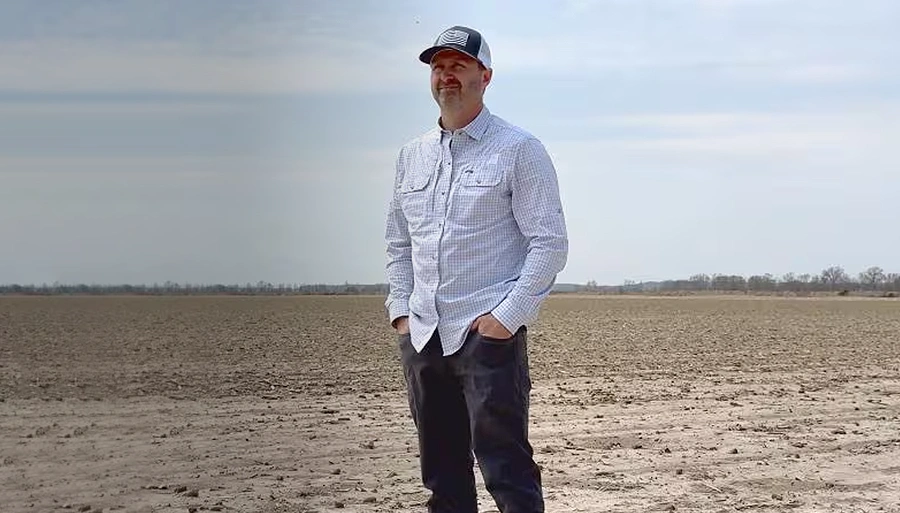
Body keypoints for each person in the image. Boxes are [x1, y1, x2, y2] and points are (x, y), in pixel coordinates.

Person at [384, 24, 568, 513]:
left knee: (506, 470)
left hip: (485, 338)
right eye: (439, 67)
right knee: (442, 477)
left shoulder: (518, 150)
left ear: (484, 76)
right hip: (423, 337)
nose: (447, 76)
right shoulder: (412, 155)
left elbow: (549, 243)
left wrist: (504, 320)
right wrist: (401, 313)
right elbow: (399, 244)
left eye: (459, 66)